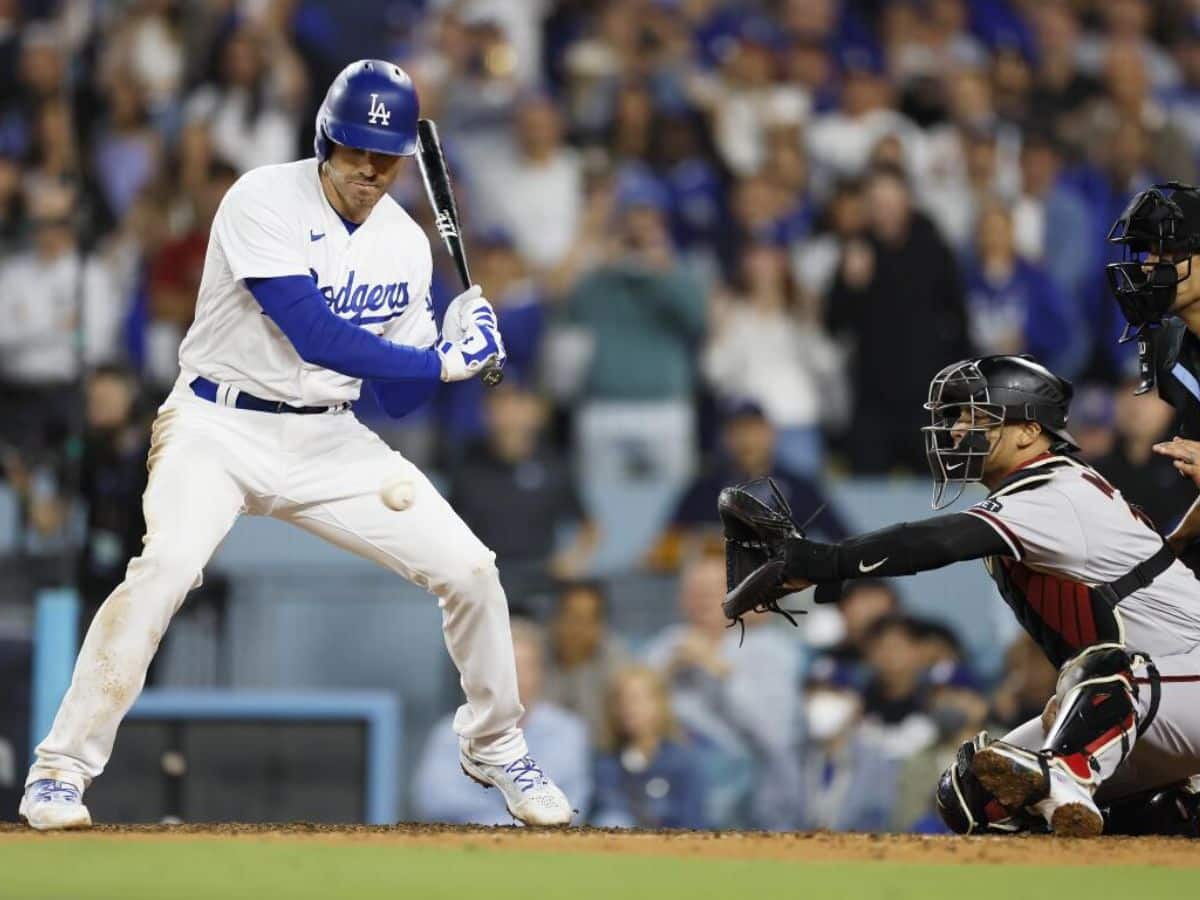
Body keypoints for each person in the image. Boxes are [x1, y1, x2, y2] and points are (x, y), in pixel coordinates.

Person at [18, 60, 573, 830]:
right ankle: (60, 771)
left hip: (328, 440)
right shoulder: (262, 199)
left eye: (387, 157)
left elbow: (397, 394)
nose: (372, 170)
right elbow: (313, 334)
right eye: (357, 151)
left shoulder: (407, 245)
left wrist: (455, 345)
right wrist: (442, 360)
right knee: (166, 568)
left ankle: (494, 741)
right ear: (326, 142)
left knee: (472, 570)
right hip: (217, 424)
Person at [722, 353, 1200, 837]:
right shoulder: (1030, 497)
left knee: (1102, 674)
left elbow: (938, 541)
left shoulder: (1057, 488)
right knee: (974, 797)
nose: (956, 429)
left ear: (1029, 432)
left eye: (979, 416)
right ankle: (1169, 812)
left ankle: (1068, 775)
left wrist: (823, 562)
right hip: (1149, 699)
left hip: (1180, 679)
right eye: (956, 416)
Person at [412, 618, 591, 826]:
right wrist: (508, 824)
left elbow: (571, 805)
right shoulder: (449, 733)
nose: (517, 679)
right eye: (507, 668)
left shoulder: (568, 732)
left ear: (541, 674)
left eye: (526, 668)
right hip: (467, 848)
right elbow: (434, 801)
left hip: (545, 848)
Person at [1105, 182, 1200, 564]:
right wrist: (1169, 553)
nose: (1148, 264)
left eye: (1169, 250)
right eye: (1147, 250)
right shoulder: (1173, 350)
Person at [591, 665, 708, 830]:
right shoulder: (607, 760)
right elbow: (609, 807)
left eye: (637, 699)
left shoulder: (683, 760)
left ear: (660, 704)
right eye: (621, 701)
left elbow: (693, 820)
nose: (628, 708)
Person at [542, 581, 630, 746]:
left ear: (600, 626)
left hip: (601, 758)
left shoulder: (615, 661)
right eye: (571, 617)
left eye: (586, 620)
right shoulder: (535, 655)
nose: (577, 628)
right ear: (555, 620)